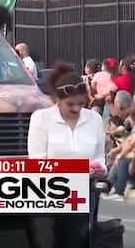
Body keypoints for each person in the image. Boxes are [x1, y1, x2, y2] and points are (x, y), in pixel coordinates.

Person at [27, 62, 106, 248]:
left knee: (77, 242)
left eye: (81, 104)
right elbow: (37, 160)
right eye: (70, 104)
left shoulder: (94, 119)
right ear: (56, 100)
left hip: (82, 194)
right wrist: (70, 171)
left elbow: (99, 156)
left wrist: (99, 169)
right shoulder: (41, 119)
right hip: (48, 194)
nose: (76, 109)